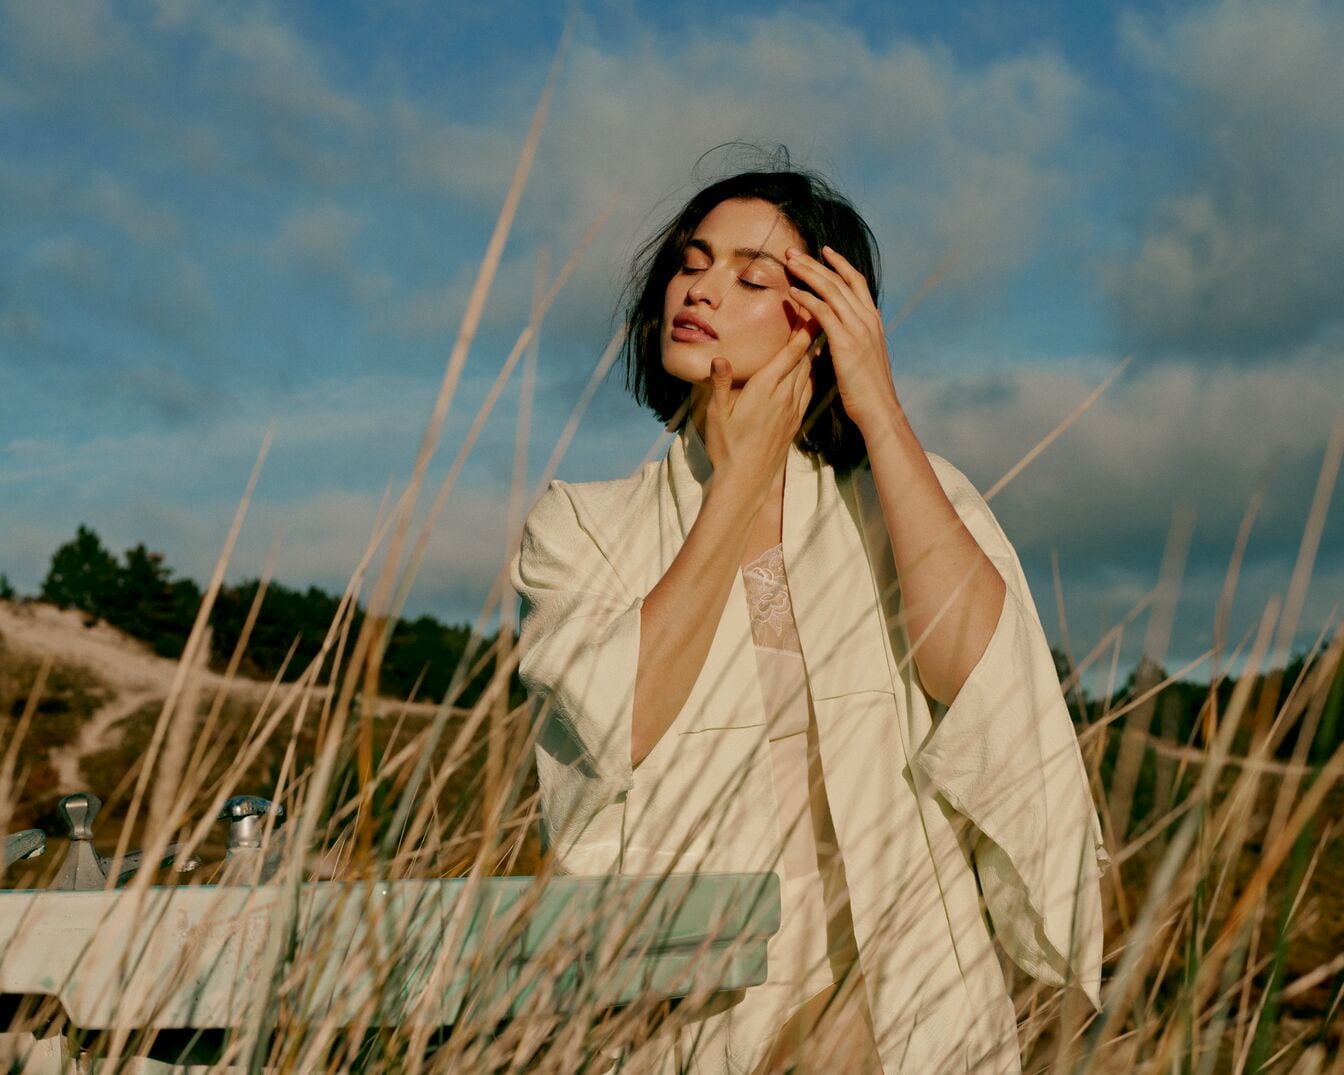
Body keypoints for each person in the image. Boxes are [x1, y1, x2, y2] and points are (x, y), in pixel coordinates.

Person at [511, 162, 1106, 1074]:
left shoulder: (907, 501)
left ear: (824, 323)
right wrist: (739, 479)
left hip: (909, 1013)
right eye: (690, 263)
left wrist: (879, 408)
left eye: (752, 278)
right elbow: (612, 723)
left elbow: (982, 681)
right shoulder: (584, 527)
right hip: (696, 1023)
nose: (701, 288)